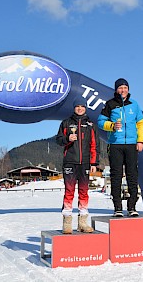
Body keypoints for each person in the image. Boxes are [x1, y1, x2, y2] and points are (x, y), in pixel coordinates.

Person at [98, 78, 143, 217]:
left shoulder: (134, 104)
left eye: (125, 87)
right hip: (115, 144)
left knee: (132, 175)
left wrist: (140, 141)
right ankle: (117, 207)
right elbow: (101, 122)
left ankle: (132, 207)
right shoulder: (110, 104)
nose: (123, 90)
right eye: (120, 88)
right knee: (116, 176)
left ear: (128, 89)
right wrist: (111, 126)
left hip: (131, 144)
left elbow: (141, 124)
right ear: (116, 90)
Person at [56, 97, 100, 234]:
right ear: (74, 108)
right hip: (70, 161)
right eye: (77, 106)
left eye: (82, 106)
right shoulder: (66, 123)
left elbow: (95, 145)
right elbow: (58, 140)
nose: (80, 109)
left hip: (85, 163)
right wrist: (67, 139)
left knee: (84, 192)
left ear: (85, 108)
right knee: (69, 192)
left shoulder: (91, 125)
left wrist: (94, 162)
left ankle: (82, 222)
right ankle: (67, 222)